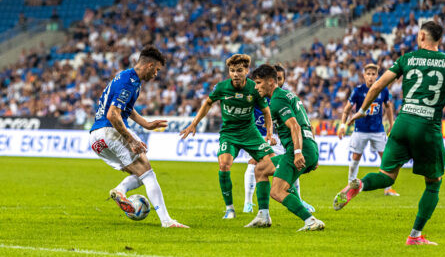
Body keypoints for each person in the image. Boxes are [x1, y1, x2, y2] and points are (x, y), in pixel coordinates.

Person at [333, 21, 445, 245]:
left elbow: (377, 86)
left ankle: (360, 184)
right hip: (427, 126)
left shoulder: (407, 59)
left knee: (387, 175)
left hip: (402, 122)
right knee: (433, 182)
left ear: (423, 36)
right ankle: (415, 236)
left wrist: (362, 110)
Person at [89, 45, 188, 228]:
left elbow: (126, 108)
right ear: (149, 65)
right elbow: (113, 114)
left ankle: (120, 191)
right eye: (157, 70)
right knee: (148, 173)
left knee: (139, 172)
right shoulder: (129, 81)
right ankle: (167, 221)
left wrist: (146, 124)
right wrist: (130, 139)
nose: (156, 74)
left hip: (96, 139)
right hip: (110, 130)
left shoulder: (126, 77)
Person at [180, 54, 275, 220]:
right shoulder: (221, 87)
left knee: (271, 164)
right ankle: (230, 209)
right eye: (232, 71)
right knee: (224, 165)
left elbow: (266, 112)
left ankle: (264, 211)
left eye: (239, 70)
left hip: (250, 132)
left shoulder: (254, 88)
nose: (235, 74)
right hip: (229, 134)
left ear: (246, 71)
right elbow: (208, 103)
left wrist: (268, 133)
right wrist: (194, 123)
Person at [247, 64, 324, 231]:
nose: (256, 86)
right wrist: (312, 154)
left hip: (299, 148)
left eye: (259, 82)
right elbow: (306, 124)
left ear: (270, 82)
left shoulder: (277, 99)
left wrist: (298, 153)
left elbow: (295, 126)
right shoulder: (288, 95)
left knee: (277, 191)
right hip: (308, 146)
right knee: (260, 169)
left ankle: (311, 221)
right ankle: (263, 216)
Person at [338, 63, 399, 196]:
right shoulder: (358, 90)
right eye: (368, 74)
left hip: (378, 130)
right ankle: (350, 184)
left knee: (385, 158)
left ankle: (388, 188)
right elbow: (347, 109)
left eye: (373, 74)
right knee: (356, 157)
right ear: (364, 76)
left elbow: (388, 107)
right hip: (360, 130)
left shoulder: (383, 90)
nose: (371, 77)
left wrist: (392, 124)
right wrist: (342, 125)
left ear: (377, 76)